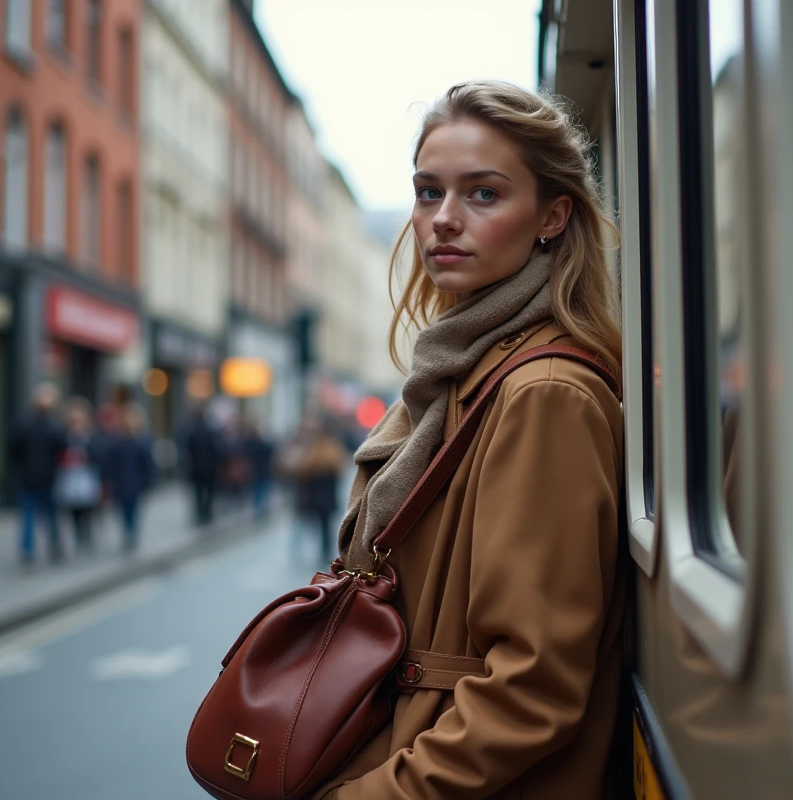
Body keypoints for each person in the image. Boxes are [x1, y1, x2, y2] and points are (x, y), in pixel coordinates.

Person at [309, 81, 624, 799]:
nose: (443, 220)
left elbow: (533, 686)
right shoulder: (459, 370)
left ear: (552, 215)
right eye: (428, 193)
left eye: (483, 194)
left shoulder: (544, 393)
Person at [9, 383, 67, 564]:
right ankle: (55, 547)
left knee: (28, 517)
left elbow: (12, 450)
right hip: (48, 478)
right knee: (50, 516)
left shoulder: (23, 423)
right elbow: (62, 450)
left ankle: (28, 551)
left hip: (28, 478)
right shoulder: (54, 426)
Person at [279, 419, 345, 560]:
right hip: (326, 496)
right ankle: (324, 552)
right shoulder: (333, 451)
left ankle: (300, 551)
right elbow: (339, 472)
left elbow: (297, 470)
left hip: (311, 496)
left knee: (303, 523)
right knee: (324, 526)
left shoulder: (310, 452)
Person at [101, 403, 156, 553]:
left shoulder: (121, 443)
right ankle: (130, 532)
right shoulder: (138, 443)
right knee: (131, 510)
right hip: (132, 484)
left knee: (127, 510)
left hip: (125, 484)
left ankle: (129, 531)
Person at [54, 398, 102, 554]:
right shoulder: (63, 436)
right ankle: (77, 536)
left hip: (85, 477)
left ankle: (86, 535)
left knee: (87, 510)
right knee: (72, 510)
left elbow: (99, 455)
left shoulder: (91, 436)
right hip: (69, 477)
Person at [182, 406, 221, 526]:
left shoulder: (191, 432)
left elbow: (187, 449)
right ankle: (207, 511)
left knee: (198, 492)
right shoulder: (210, 431)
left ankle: (199, 512)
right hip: (209, 467)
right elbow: (216, 449)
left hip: (196, 467)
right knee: (209, 491)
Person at [244, 422, 276, 517]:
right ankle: (262, 506)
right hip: (264, 469)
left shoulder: (251, 445)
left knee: (257, 489)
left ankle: (258, 506)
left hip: (256, 470)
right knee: (263, 488)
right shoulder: (263, 445)